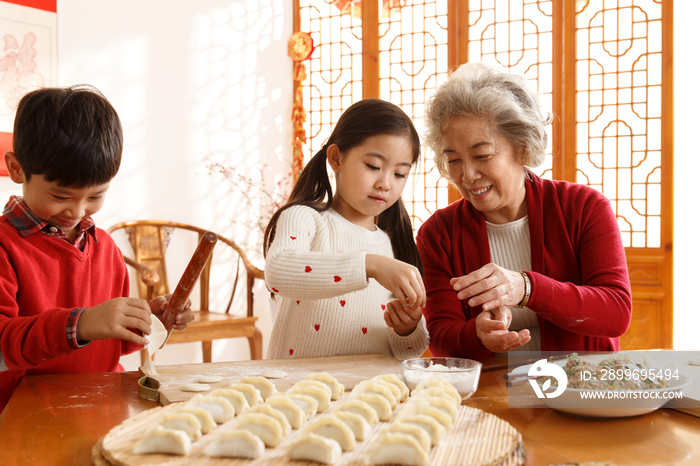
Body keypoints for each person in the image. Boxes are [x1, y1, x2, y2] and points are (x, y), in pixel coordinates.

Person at [417, 62, 632, 359]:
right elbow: (440, 336)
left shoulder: (583, 207)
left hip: (580, 388)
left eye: (482, 155)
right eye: (453, 160)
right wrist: (476, 335)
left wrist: (527, 288)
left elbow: (616, 313)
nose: (467, 175)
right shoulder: (438, 234)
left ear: (521, 147)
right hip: (492, 392)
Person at [0, 85, 192, 410]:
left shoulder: (104, 246)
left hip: (102, 406)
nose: (75, 212)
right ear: (18, 169)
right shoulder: (6, 247)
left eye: (95, 196)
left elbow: (109, 344)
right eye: (60, 196)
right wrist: (82, 323)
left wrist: (145, 320)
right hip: (25, 417)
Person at [264, 98, 430, 360]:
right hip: (297, 393)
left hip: (368, 393)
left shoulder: (393, 243)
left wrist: (407, 329)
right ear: (336, 158)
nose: (385, 183)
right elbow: (279, 273)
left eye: (400, 174)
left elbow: (405, 353)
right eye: (373, 166)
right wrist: (370, 265)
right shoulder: (305, 218)